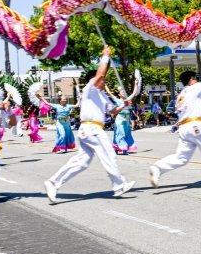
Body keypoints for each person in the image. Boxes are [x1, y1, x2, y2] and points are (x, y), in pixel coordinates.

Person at [44, 47, 136, 203]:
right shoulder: (90, 88)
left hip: (90, 130)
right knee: (108, 154)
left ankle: (53, 182)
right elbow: (100, 75)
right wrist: (105, 56)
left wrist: (124, 105)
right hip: (91, 128)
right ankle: (119, 185)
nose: (104, 81)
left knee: (82, 162)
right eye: (102, 79)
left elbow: (114, 111)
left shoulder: (102, 95)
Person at [149, 65, 201, 189]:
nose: (197, 80)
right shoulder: (195, 87)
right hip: (195, 126)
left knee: (181, 158)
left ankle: (157, 168)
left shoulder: (181, 95)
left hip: (184, 128)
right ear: (191, 79)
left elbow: (189, 112)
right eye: (195, 78)